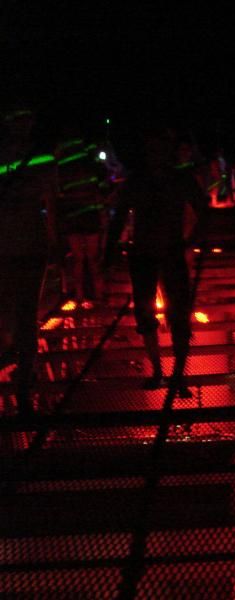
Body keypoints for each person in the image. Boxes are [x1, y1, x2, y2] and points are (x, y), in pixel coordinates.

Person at [104, 128, 207, 396]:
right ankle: (166, 374)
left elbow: (203, 210)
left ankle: (173, 375)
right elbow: (204, 209)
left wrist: (192, 240)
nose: (156, 154)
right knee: (152, 313)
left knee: (172, 314)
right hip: (153, 253)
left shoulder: (162, 180)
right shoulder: (165, 180)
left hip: (161, 253)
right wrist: (192, 240)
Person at [0, 105, 58, 416]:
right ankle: (23, 380)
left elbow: (50, 200)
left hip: (21, 245)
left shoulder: (36, 157)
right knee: (23, 315)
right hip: (24, 244)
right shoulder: (43, 157)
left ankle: (22, 380)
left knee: (20, 314)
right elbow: (51, 200)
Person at [55, 132, 109, 306]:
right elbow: (101, 190)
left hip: (73, 216)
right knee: (92, 258)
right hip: (89, 215)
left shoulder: (63, 169)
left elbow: (59, 195)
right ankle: (98, 294)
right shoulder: (91, 166)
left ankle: (79, 296)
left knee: (78, 258)